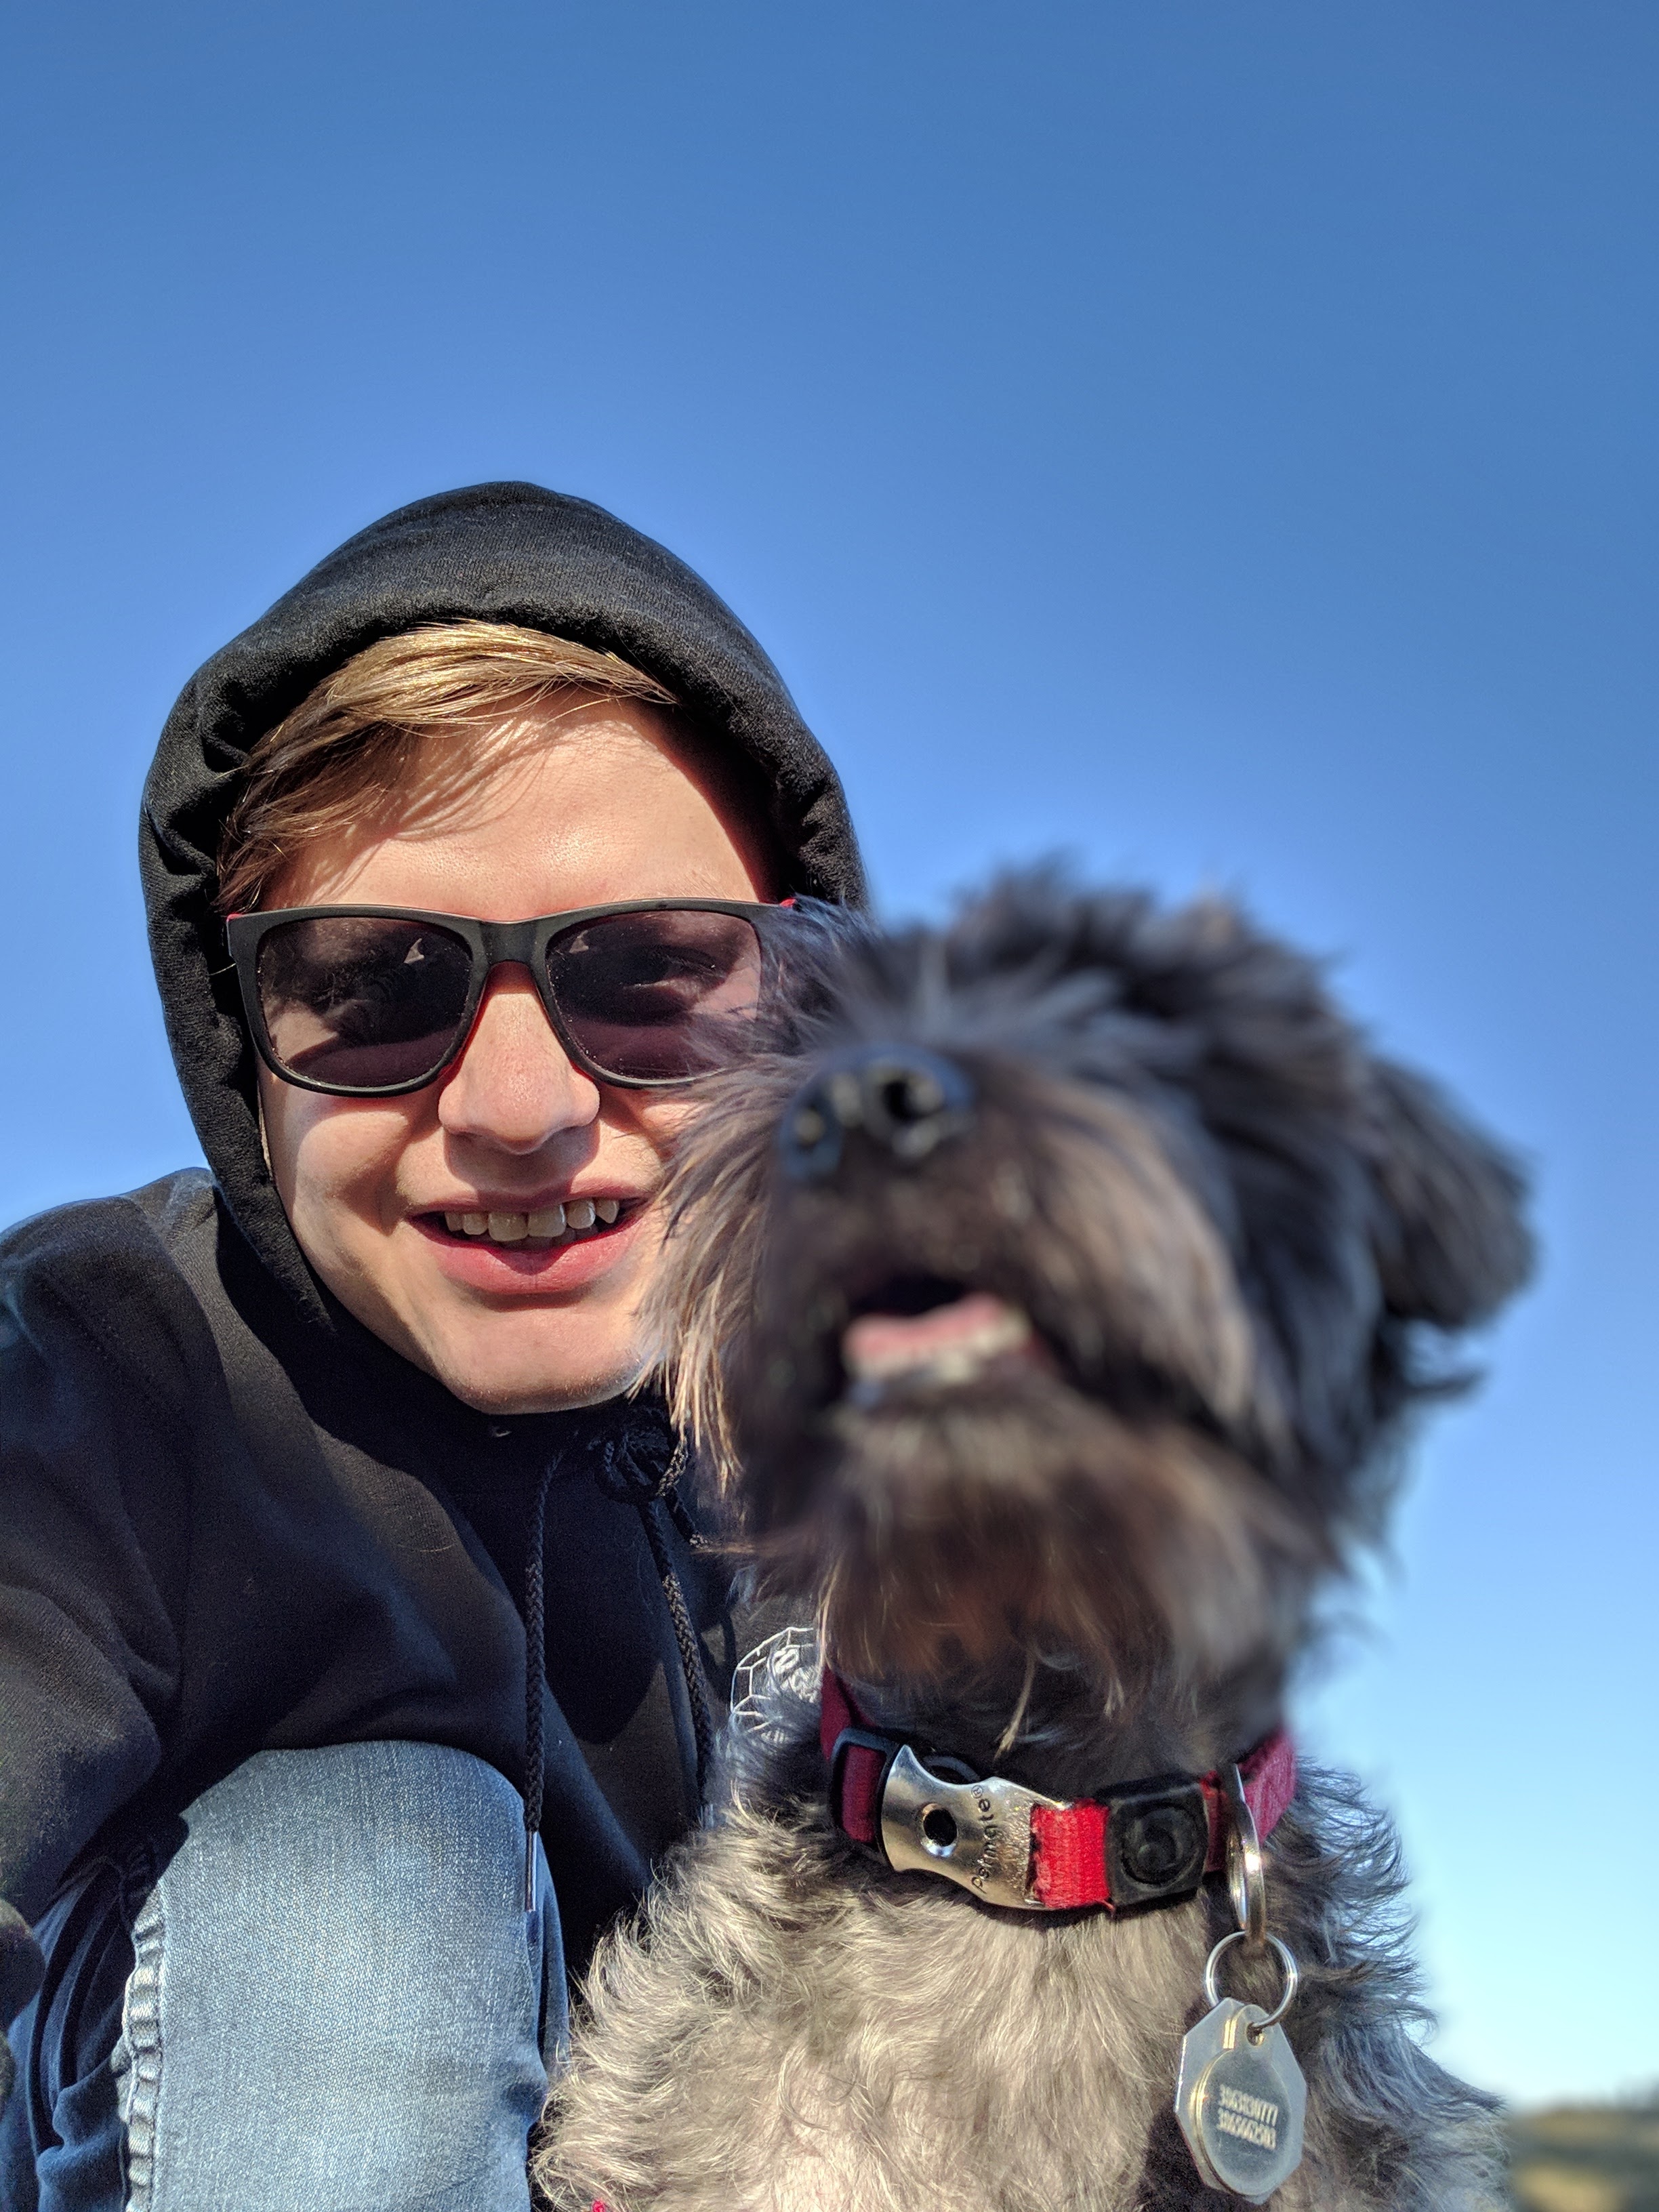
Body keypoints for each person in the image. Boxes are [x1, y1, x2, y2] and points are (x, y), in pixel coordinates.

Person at [0, 483, 865, 2212]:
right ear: (245, 1041)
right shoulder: (103, 1371)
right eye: (378, 987)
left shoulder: (878, 1445)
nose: (525, 1114)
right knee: (362, 1881)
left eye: (653, 979)